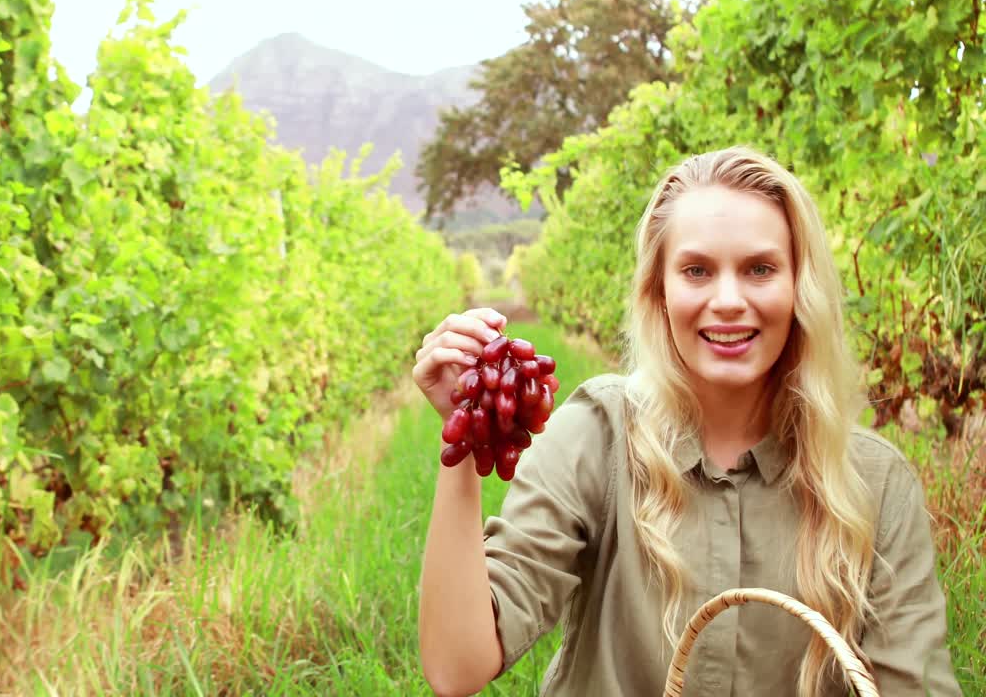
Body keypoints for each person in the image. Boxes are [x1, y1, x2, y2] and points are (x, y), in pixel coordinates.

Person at [411, 146, 962, 697]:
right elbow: (458, 668)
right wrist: (462, 436)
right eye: (696, 270)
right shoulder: (599, 435)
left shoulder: (875, 484)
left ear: (800, 286)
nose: (727, 301)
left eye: (760, 269)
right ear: (660, 290)